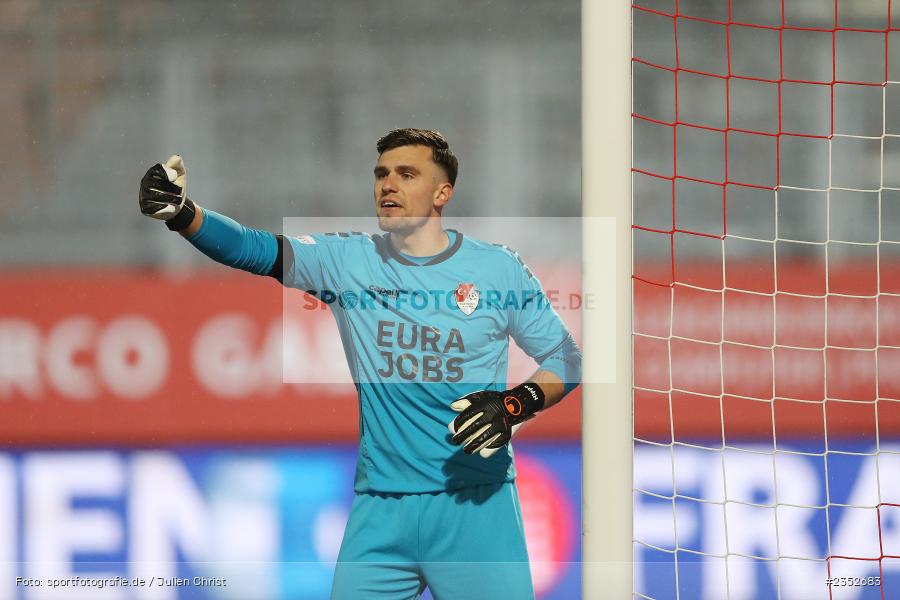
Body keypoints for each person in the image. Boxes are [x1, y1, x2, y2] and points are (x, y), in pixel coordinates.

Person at [138, 128, 581, 599]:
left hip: (475, 506)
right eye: (381, 174)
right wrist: (184, 215)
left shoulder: (497, 269)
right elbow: (256, 249)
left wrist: (515, 405)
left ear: (442, 192)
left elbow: (565, 357)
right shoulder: (348, 261)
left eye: (406, 174)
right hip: (381, 512)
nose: (388, 185)